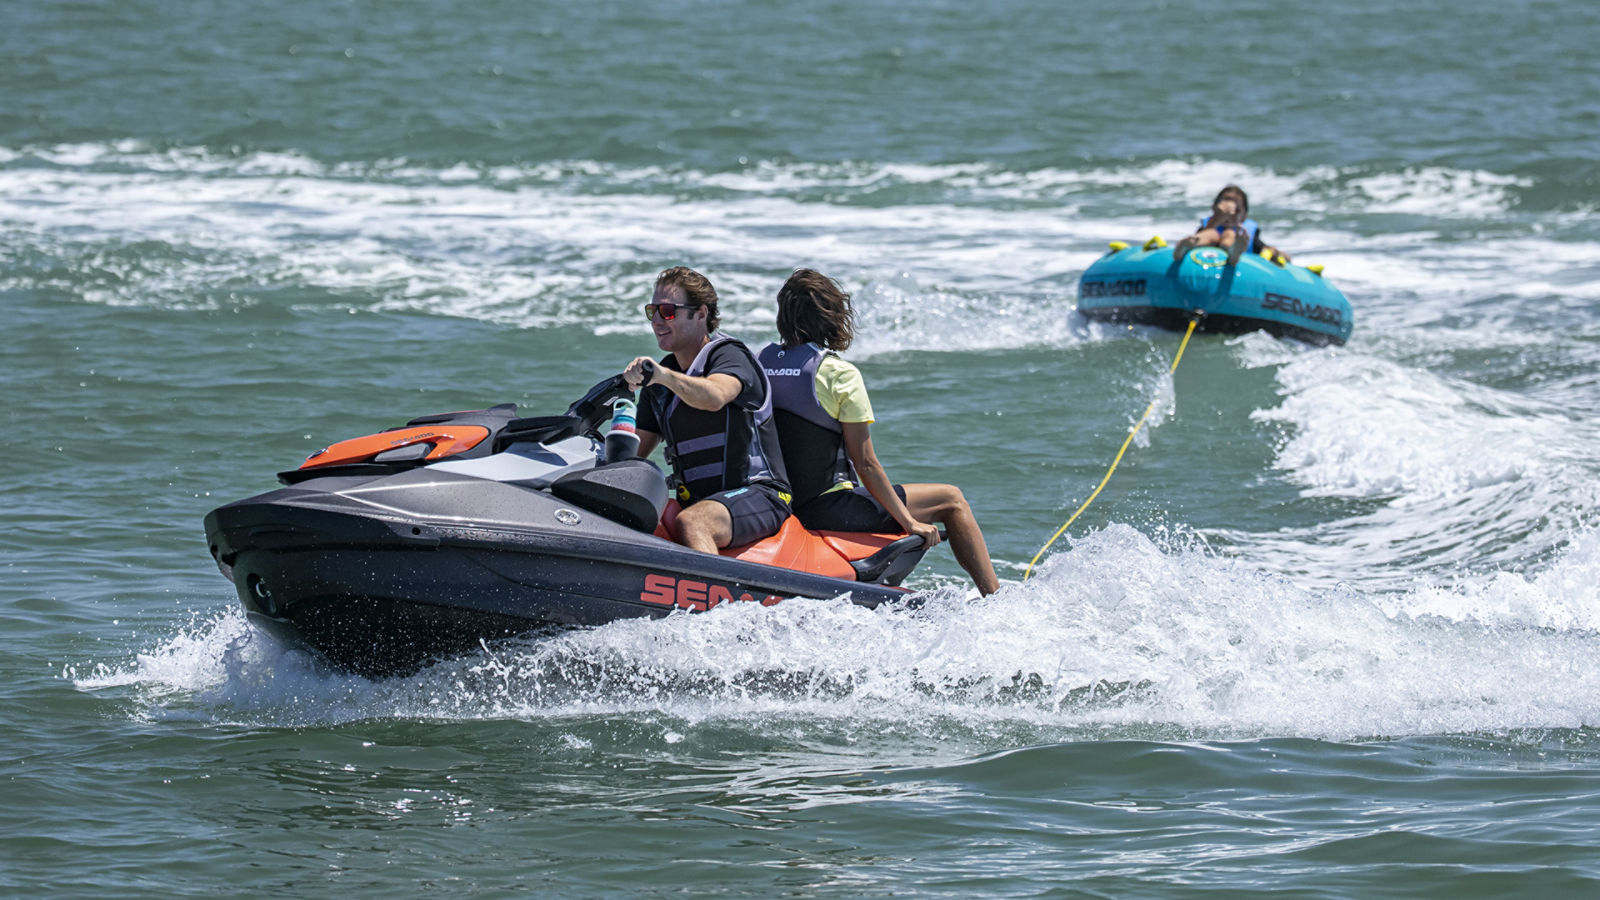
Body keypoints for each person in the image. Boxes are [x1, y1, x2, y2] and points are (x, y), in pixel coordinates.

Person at [757, 268, 1000, 596]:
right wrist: (908, 521)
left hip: (778, 501)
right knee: (952, 499)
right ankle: (995, 599)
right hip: (826, 506)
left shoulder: (760, 365)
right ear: (831, 316)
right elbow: (866, 463)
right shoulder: (839, 375)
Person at [623, 266, 792, 555]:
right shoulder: (664, 377)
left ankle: (715, 600)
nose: (657, 321)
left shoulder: (728, 356)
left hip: (759, 495)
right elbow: (634, 452)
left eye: (667, 311)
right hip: (702, 499)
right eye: (653, 311)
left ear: (701, 314)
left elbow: (715, 396)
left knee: (693, 522)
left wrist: (663, 376)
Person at [1172, 184, 1290, 264]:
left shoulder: (1245, 233)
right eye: (1224, 209)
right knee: (1210, 234)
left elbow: (1266, 250)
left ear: (1244, 215)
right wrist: (1217, 218)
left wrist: (1275, 253)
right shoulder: (1210, 225)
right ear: (1214, 209)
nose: (1229, 214)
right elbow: (1203, 233)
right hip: (1206, 248)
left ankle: (1233, 251)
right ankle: (1185, 248)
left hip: (1237, 250)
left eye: (1236, 211)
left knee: (1229, 234)